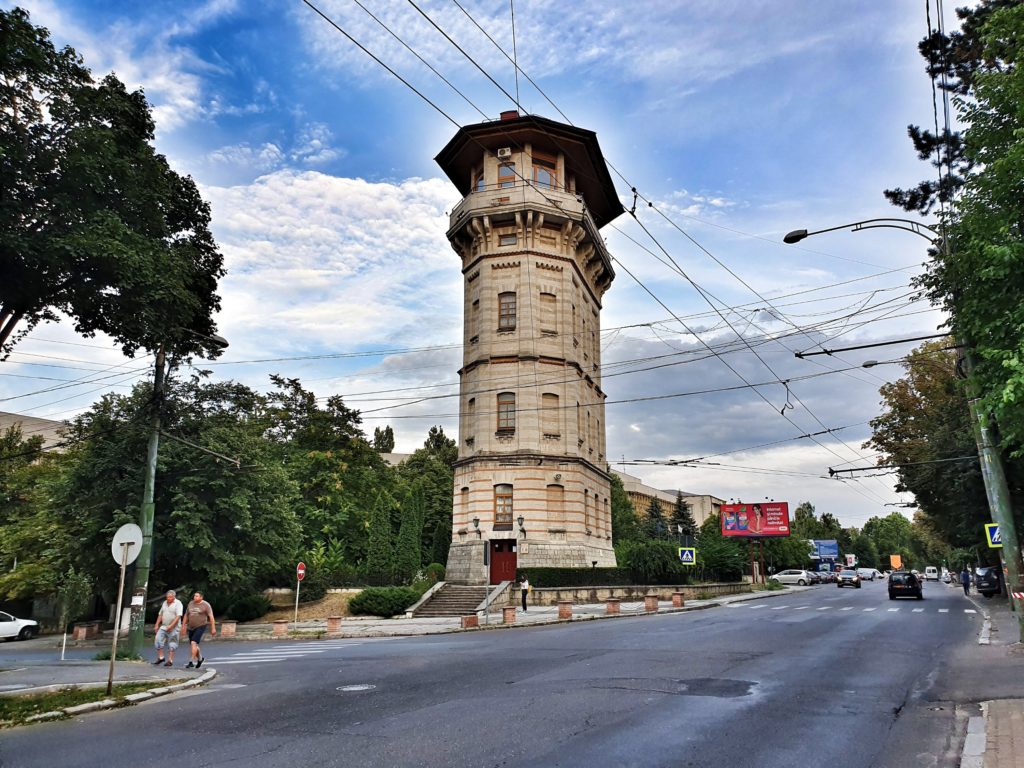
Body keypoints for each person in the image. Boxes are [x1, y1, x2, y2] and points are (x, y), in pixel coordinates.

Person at [183, 591, 216, 669]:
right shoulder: (190, 603)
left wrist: (213, 628)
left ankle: (191, 661)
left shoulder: (206, 605)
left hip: (201, 626)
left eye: (197, 596)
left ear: (201, 597)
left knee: (193, 643)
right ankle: (200, 659)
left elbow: (211, 617)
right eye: (194, 596)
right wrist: (183, 626)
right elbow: (186, 615)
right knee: (193, 644)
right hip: (191, 627)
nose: (195, 597)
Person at [153, 590, 183, 667]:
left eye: (170, 597)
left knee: (172, 643)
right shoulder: (164, 603)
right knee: (158, 639)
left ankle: (170, 660)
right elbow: (160, 614)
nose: (168, 598)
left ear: (174, 597)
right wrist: (156, 625)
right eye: (167, 597)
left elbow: (178, 616)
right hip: (164, 626)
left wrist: (171, 626)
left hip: (174, 627)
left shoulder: (178, 603)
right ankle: (161, 657)